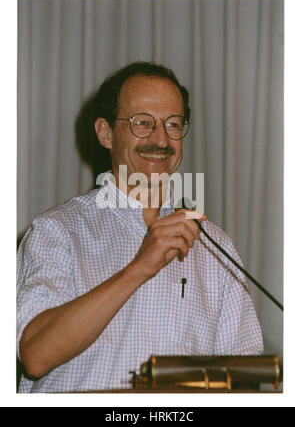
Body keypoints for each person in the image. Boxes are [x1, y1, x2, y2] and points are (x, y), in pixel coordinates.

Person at [17, 62, 263, 393]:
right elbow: (35, 355)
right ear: (105, 133)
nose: (161, 139)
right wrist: (139, 268)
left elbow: (243, 381)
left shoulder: (215, 245)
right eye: (142, 123)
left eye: (173, 125)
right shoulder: (57, 231)